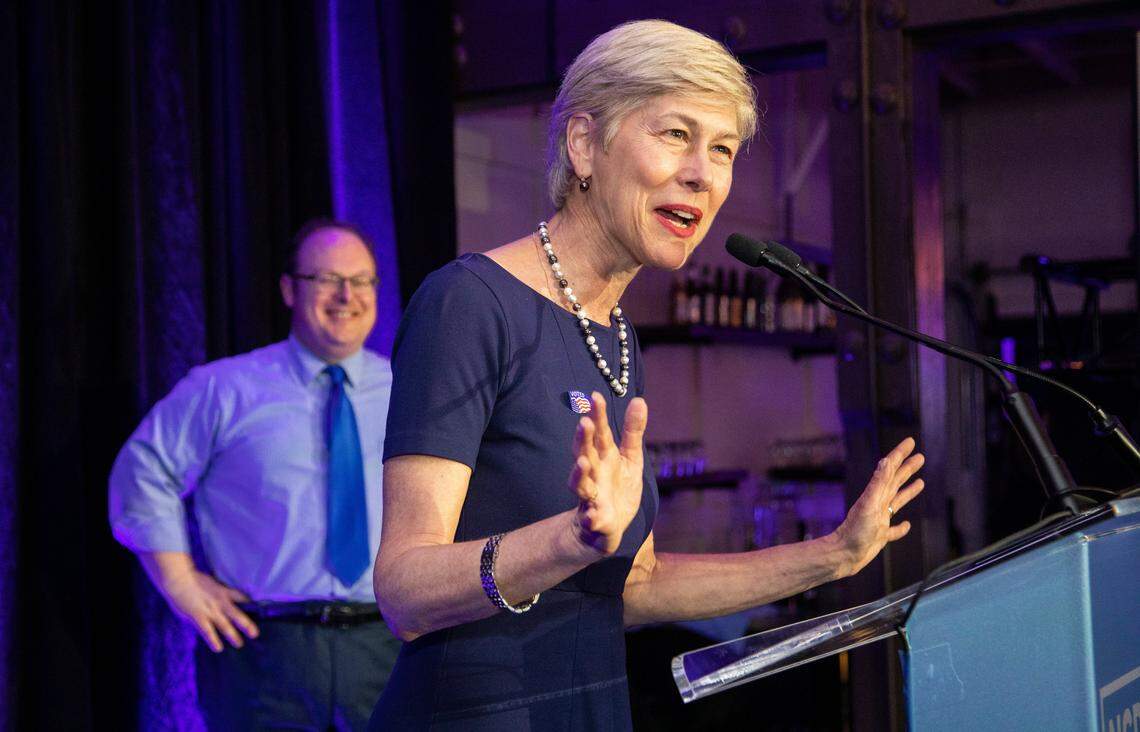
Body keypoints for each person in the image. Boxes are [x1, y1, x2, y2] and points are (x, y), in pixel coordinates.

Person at [370, 19, 925, 731]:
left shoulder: (616, 334)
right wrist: (568, 540)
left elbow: (635, 583)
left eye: (722, 149)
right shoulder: (470, 303)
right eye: (675, 135)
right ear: (584, 144)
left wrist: (835, 555)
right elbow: (404, 591)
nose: (703, 173)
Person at [109, 220, 400, 731]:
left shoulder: (409, 389)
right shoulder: (223, 389)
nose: (346, 296)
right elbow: (144, 471)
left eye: (361, 281)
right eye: (326, 279)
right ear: (289, 289)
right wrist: (179, 582)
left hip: (387, 648)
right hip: (263, 655)